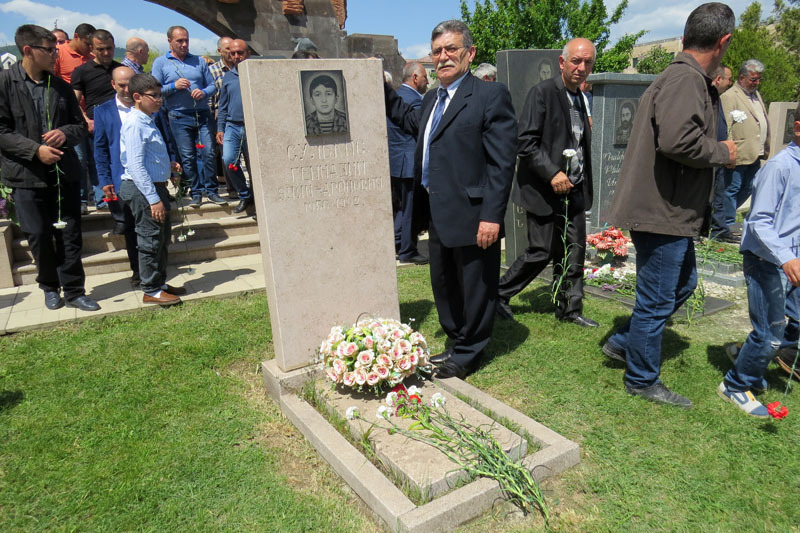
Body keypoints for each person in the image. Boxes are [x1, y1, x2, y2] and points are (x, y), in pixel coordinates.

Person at [603, 2, 737, 409]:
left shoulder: (689, 78)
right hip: (663, 210)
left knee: (683, 287)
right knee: (657, 300)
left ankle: (624, 343)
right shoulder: (685, 80)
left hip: (672, 209)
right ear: (724, 41)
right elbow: (678, 141)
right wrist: (722, 151)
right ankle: (642, 379)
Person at [385, 19, 517, 379]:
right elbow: (409, 122)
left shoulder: (490, 96)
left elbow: (502, 163)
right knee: (444, 284)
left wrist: (491, 216)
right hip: (438, 212)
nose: (443, 57)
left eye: (451, 50)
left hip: (475, 215)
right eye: (437, 51)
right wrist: (382, 88)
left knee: (475, 286)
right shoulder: (431, 99)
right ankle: (456, 340)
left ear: (469, 54)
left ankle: (470, 350)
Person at [495, 38, 597, 327]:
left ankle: (569, 308)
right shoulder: (543, 93)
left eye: (587, 62)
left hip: (574, 188)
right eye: (576, 61)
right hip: (544, 188)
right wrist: (552, 172)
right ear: (562, 63)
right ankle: (500, 292)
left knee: (574, 249)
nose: (581, 67)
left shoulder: (581, 98)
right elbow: (525, 142)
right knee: (541, 251)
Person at [0, 24, 99, 312]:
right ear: (28, 50)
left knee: (69, 233)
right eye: (50, 49)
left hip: (63, 173)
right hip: (26, 176)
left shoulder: (60, 86)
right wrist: (35, 150)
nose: (56, 53)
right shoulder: (5, 83)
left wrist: (65, 133)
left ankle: (74, 289)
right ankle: (49, 286)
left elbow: (80, 126)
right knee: (38, 234)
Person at [718, 110, 800, 417]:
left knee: (787, 323)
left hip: (791, 258)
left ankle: (744, 357)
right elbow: (759, 222)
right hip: (768, 259)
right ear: (797, 128)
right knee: (770, 332)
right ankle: (736, 384)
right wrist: (788, 257)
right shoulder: (780, 167)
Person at [119, 73, 185, 306]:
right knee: (150, 240)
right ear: (137, 97)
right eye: (153, 96)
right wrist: (153, 199)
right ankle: (150, 289)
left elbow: (149, 158)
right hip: (143, 190)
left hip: (156, 187)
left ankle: (159, 282)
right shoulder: (135, 123)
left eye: (160, 95)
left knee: (162, 237)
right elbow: (136, 165)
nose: (159, 100)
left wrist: (168, 166)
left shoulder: (148, 119)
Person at [151, 25, 225, 207]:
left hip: (202, 114)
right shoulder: (161, 63)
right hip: (178, 116)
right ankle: (196, 191)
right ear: (170, 41)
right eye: (180, 41)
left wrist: (204, 93)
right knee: (188, 156)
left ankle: (212, 191)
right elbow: (155, 90)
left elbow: (212, 86)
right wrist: (173, 86)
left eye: (186, 40)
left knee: (208, 153)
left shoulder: (199, 61)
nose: (184, 44)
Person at [713, 59, 770, 242]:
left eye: (759, 79)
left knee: (749, 187)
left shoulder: (756, 95)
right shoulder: (730, 96)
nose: (757, 83)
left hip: (755, 152)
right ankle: (728, 224)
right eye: (753, 79)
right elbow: (726, 125)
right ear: (742, 77)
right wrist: (728, 151)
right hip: (738, 152)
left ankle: (728, 220)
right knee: (732, 188)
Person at [71, 29, 122, 210]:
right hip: (94, 123)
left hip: (120, 124)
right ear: (92, 48)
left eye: (109, 48)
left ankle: (119, 197)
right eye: (101, 49)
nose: (106, 53)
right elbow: (73, 102)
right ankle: (102, 200)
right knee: (96, 162)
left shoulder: (121, 70)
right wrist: (86, 120)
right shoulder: (82, 71)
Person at [388, 61, 428, 265]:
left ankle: (397, 242)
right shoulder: (414, 100)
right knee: (410, 208)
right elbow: (420, 131)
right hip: (408, 161)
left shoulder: (395, 96)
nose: (427, 81)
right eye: (424, 77)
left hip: (395, 160)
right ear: (414, 78)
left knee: (402, 207)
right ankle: (407, 250)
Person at [215, 39, 253, 214]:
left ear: (248, 54)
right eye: (233, 53)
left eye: (240, 53)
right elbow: (222, 105)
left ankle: (257, 195)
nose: (236, 56)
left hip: (253, 126)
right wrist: (220, 128)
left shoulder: (256, 72)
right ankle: (244, 195)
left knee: (255, 165)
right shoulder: (228, 76)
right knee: (229, 160)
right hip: (233, 126)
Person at [710, 65, 734, 241]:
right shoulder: (708, 98)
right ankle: (714, 228)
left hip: (719, 153)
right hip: (711, 153)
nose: (730, 83)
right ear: (719, 79)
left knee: (719, 193)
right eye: (729, 79)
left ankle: (719, 229)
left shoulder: (717, 99)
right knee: (710, 194)